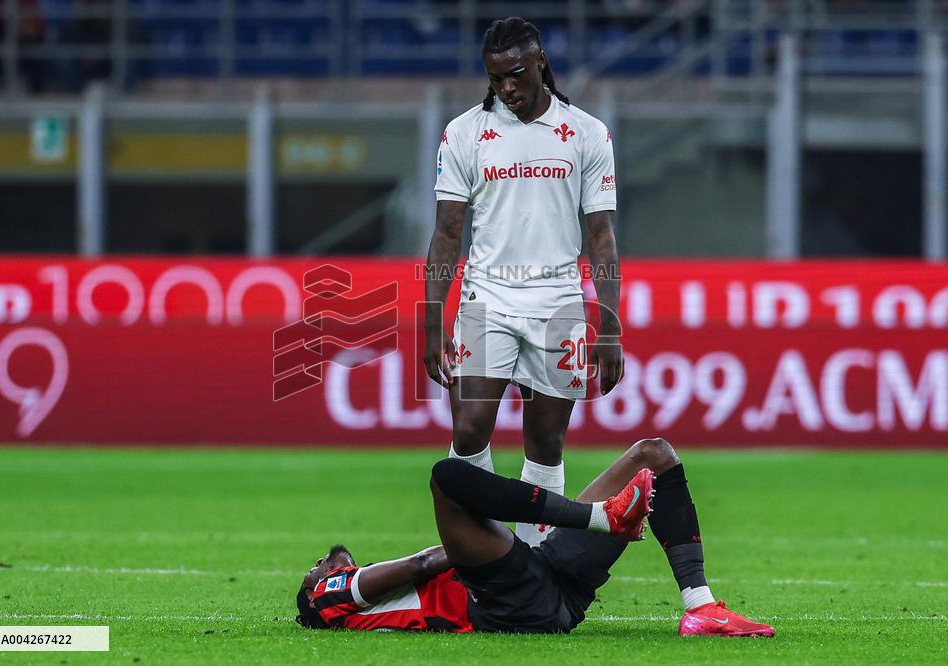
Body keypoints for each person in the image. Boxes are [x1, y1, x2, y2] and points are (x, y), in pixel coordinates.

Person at [423, 16, 623, 546]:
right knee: (469, 429)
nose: (506, 88)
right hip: (487, 296)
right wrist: (432, 320)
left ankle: (535, 564)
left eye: (515, 74)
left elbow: (601, 237)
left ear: (541, 63)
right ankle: (484, 556)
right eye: (495, 79)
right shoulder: (465, 133)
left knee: (546, 444)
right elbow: (447, 233)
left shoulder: (586, 133)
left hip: (559, 303)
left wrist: (609, 327)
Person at [295, 438, 775, 637]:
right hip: (510, 602)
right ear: (315, 588)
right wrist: (469, 535)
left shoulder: (363, 598)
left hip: (543, 586)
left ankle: (700, 607)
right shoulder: (326, 598)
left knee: (653, 454)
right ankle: (599, 518)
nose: (320, 562)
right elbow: (424, 564)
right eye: (313, 568)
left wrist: (477, 536)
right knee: (447, 476)